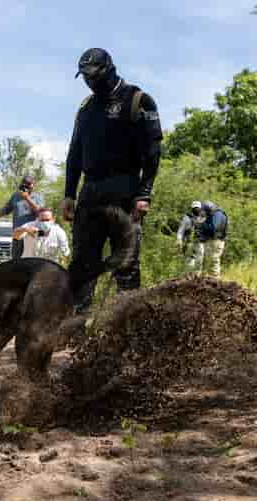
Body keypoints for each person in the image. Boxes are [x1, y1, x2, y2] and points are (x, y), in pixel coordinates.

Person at [62, 47, 162, 312]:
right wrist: (69, 194)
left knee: (126, 263)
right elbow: (74, 152)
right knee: (83, 263)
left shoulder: (138, 100)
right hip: (90, 191)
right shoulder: (85, 108)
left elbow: (153, 151)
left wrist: (144, 194)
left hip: (124, 189)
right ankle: (76, 329)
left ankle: (126, 329)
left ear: (107, 70)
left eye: (91, 75)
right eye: (83, 77)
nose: (87, 81)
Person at [0, 174, 45, 259]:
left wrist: (27, 198)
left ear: (33, 185)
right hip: (17, 235)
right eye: (25, 183)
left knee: (30, 262)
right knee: (16, 262)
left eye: (29, 184)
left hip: (31, 237)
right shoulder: (15, 196)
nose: (26, 186)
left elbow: (40, 213)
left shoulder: (38, 197)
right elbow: (5, 209)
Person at [189, 201, 228, 277]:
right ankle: (208, 280)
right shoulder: (215, 214)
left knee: (213, 260)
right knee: (208, 262)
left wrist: (201, 224)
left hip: (216, 240)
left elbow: (213, 228)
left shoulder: (218, 214)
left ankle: (215, 280)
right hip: (212, 240)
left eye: (205, 210)